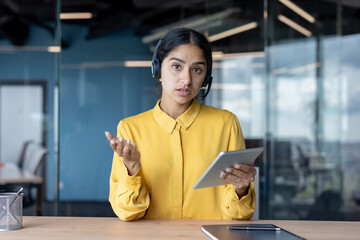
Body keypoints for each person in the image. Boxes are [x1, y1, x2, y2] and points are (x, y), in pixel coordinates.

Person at [105, 28, 256, 221]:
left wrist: (241, 188)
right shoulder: (130, 129)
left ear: (205, 78)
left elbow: (240, 214)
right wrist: (132, 168)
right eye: (177, 66)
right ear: (158, 70)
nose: (186, 80)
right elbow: (128, 213)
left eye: (197, 69)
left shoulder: (225, 123)